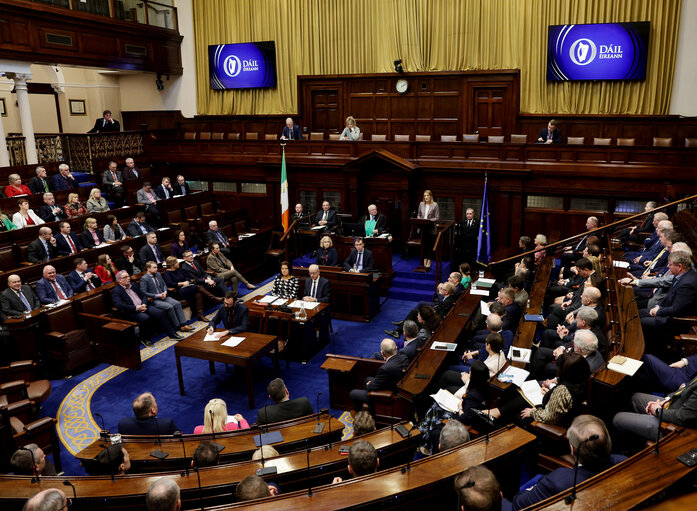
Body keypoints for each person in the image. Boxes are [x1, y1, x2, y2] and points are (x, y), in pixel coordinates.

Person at [513, 415, 625, 510]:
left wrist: (532, 489)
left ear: (572, 450)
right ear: (608, 442)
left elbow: (518, 504)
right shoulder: (623, 462)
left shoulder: (557, 480)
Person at [473, 351, 591, 429]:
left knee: (519, 413)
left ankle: (495, 421)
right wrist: (550, 395)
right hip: (551, 410)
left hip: (549, 427)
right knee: (520, 396)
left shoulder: (563, 390)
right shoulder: (583, 381)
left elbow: (550, 417)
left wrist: (533, 412)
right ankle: (495, 412)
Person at [418, 360, 488, 455]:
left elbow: (466, 419)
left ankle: (426, 442)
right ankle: (425, 438)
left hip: (459, 421)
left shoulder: (473, 397)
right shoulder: (483, 387)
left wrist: (460, 408)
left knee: (435, 408)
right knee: (436, 406)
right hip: (464, 412)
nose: (469, 373)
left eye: (470, 372)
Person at [613, 375, 697, 445]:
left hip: (676, 426)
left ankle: (634, 448)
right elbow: (686, 388)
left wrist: (657, 411)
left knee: (617, 418)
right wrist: (667, 400)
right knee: (635, 398)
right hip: (675, 405)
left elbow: (682, 417)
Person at [112, 270, 182, 342]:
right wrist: (136, 308)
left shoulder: (133, 285)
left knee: (160, 313)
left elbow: (144, 296)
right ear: (119, 280)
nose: (128, 278)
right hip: (132, 311)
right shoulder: (116, 290)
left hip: (143, 306)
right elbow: (119, 305)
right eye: (125, 277)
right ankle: (144, 338)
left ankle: (172, 334)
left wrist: (144, 304)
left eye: (128, 276)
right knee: (145, 318)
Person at [349, 338, 409, 411]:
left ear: (383, 353)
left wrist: (369, 385)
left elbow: (374, 387)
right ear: (396, 348)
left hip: (389, 392)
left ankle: (364, 412)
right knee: (367, 379)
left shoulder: (385, 369)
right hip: (396, 384)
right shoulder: (404, 358)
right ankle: (368, 406)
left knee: (353, 393)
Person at [164, 256, 222, 322]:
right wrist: (182, 283)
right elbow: (170, 284)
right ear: (172, 265)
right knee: (198, 287)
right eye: (177, 263)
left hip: (188, 287)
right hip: (179, 291)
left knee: (198, 294)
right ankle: (214, 298)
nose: (178, 263)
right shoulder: (167, 273)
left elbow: (186, 277)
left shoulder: (179, 269)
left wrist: (187, 281)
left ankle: (200, 315)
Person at [141, 261, 192, 332]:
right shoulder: (144, 279)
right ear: (148, 269)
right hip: (154, 300)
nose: (157, 269)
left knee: (177, 303)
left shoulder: (158, 274)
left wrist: (165, 292)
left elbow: (164, 285)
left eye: (157, 267)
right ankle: (178, 326)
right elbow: (143, 292)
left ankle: (184, 324)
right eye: (154, 267)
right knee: (169, 307)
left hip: (164, 296)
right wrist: (157, 295)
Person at [417, 189, 439, 268]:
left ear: (430, 196)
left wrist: (429, 220)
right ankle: (424, 260)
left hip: (430, 227)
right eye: (425, 196)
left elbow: (437, 217)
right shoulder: (421, 204)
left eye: (427, 195)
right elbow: (418, 215)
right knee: (424, 244)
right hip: (423, 227)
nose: (426, 197)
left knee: (430, 245)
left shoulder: (435, 205)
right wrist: (421, 220)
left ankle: (429, 260)